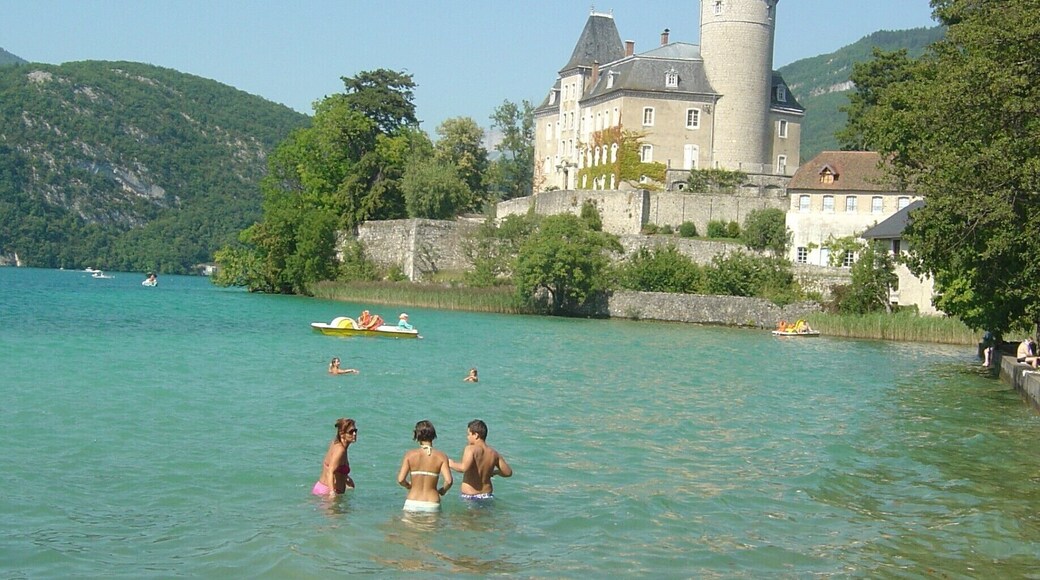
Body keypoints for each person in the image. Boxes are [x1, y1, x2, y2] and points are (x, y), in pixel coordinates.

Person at [449, 419, 512, 501]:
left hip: (470, 496)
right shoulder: (493, 453)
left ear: (476, 435)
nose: (467, 437)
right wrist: (495, 472)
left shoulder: (470, 449)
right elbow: (508, 472)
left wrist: (450, 463)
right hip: (487, 495)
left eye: (468, 434)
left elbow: (463, 468)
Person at [397, 420, 452, 513]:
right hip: (432, 502)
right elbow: (448, 481)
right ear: (433, 435)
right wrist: (443, 491)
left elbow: (400, 480)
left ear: (417, 435)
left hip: (412, 501)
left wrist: (409, 486)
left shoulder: (410, 455)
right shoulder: (441, 456)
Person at [312, 418, 358, 497]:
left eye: (355, 431)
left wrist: (346, 478)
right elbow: (330, 471)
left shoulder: (336, 444)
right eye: (351, 432)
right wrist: (332, 493)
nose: (354, 434)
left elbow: (333, 466)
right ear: (342, 434)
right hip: (327, 492)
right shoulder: (340, 450)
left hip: (322, 488)